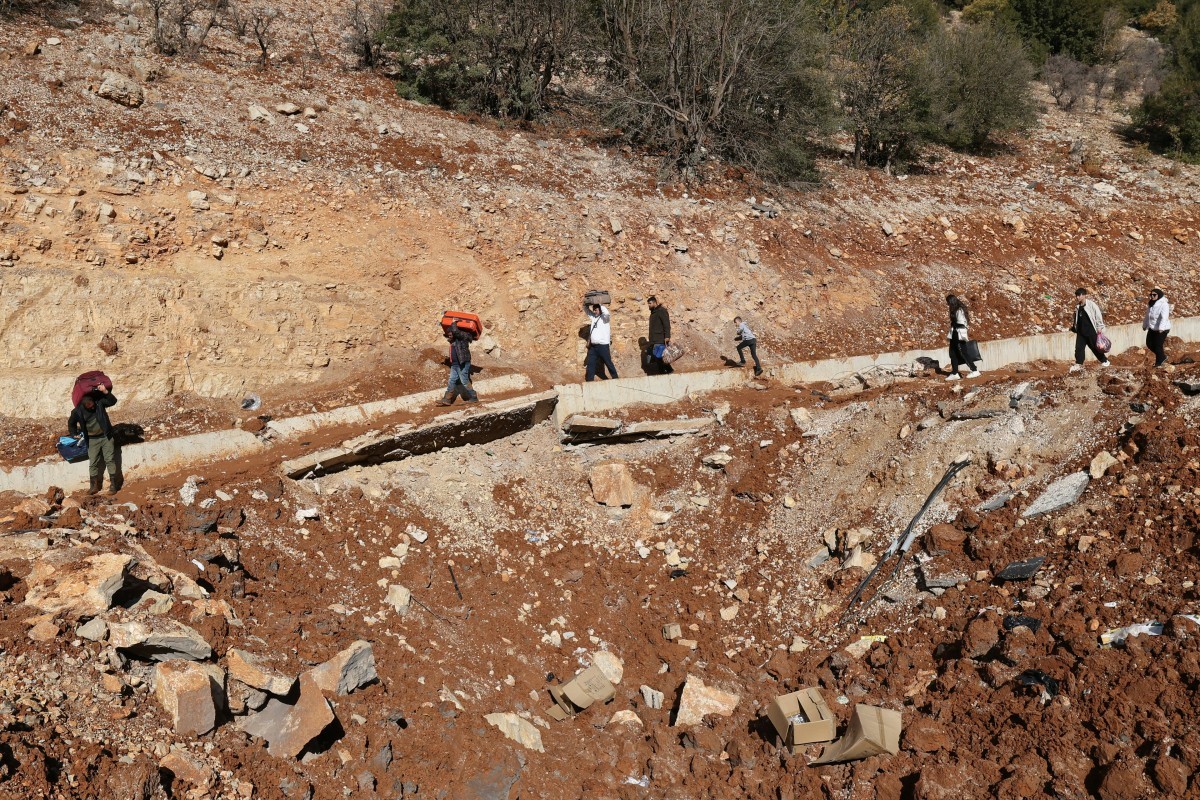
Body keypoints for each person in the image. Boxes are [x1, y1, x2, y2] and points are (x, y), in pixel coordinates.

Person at [67, 384, 121, 495]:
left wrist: (105, 391)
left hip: (106, 436)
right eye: (89, 407)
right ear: (84, 405)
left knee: (109, 459)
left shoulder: (99, 403)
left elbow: (113, 401)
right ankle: (94, 486)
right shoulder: (77, 411)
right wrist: (74, 434)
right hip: (92, 440)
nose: (92, 408)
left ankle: (113, 485)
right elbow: (71, 423)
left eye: (92, 405)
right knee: (93, 462)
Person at [1069, 287, 1110, 372]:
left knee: (1095, 347)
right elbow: (1077, 319)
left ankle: (1105, 361)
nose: (1077, 297)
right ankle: (1079, 364)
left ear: (1084, 295)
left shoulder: (1091, 305)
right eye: (1076, 296)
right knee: (1079, 348)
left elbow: (1098, 316)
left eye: (1079, 295)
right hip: (1081, 332)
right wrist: (1074, 328)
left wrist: (1099, 327)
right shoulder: (1078, 307)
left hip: (1091, 331)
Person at [437, 321, 478, 406]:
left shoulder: (464, 337)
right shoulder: (454, 340)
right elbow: (448, 334)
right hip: (455, 364)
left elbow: (456, 332)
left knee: (464, 380)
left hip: (463, 363)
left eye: (451, 333)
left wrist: (454, 322)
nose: (449, 334)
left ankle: (473, 397)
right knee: (451, 380)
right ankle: (447, 399)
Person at [944, 294, 981, 381]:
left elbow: (962, 323)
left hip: (958, 333)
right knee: (952, 353)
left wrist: (954, 324)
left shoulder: (959, 310)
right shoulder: (956, 309)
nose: (948, 304)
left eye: (948, 303)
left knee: (963, 352)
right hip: (955, 332)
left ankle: (974, 370)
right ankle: (955, 372)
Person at [585, 303, 618, 382]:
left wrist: (600, 304)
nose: (594, 312)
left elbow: (606, 313)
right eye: (594, 310)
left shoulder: (605, 318)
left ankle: (615, 378)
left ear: (600, 310)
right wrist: (585, 305)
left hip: (603, 345)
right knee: (590, 363)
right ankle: (589, 381)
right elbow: (587, 311)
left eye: (596, 310)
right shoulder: (594, 318)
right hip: (593, 346)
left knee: (608, 362)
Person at [1143, 287, 1171, 368]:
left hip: (1163, 328)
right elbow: (1147, 316)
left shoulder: (1163, 304)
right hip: (1152, 327)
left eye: (1154, 295)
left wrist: (1161, 328)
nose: (1152, 296)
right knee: (1149, 344)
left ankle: (1159, 362)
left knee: (1157, 345)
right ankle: (1162, 356)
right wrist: (1145, 325)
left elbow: (1164, 317)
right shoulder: (1151, 304)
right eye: (1151, 295)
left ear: (1159, 295)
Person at [647, 295, 672, 375]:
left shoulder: (661, 311)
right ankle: (667, 372)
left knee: (659, 358)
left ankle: (667, 372)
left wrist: (667, 336)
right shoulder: (653, 313)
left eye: (650, 303)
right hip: (655, 340)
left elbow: (666, 324)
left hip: (660, 339)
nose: (649, 305)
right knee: (659, 358)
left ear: (655, 302)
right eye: (648, 303)